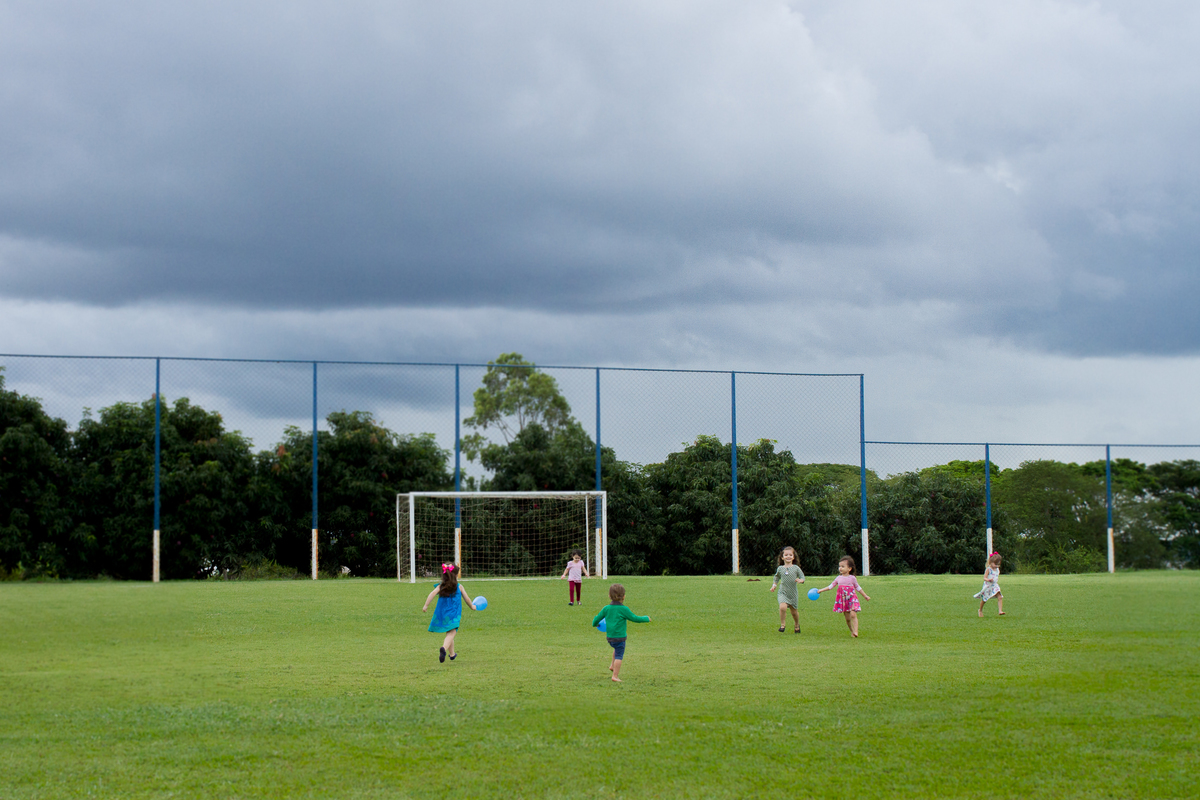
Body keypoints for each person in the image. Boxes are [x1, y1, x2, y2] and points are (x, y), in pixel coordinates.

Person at [591, 583, 651, 682]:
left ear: (609, 596)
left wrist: (595, 624)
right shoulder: (624, 609)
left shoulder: (606, 608)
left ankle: (611, 665)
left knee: (616, 648)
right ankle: (615, 676)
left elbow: (596, 619)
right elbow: (635, 618)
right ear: (624, 596)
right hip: (620, 638)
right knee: (619, 655)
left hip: (610, 638)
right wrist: (646, 618)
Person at [422, 563, 477, 663]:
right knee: (452, 633)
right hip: (454, 614)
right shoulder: (459, 587)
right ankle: (443, 648)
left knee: (449, 632)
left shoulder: (441, 586)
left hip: (442, 613)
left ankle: (452, 654)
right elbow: (467, 599)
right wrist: (472, 606)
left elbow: (432, 593)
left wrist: (426, 605)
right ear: (455, 575)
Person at [817, 555, 871, 637]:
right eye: (839, 566)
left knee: (853, 614)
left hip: (852, 598)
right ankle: (852, 631)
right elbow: (830, 586)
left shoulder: (852, 578)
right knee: (847, 618)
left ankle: (856, 631)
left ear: (849, 568)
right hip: (843, 600)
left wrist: (865, 596)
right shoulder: (838, 578)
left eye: (843, 566)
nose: (840, 568)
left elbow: (858, 587)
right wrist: (821, 590)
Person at [769, 545, 806, 633]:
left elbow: (802, 577)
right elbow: (776, 578)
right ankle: (782, 625)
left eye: (790, 555)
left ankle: (797, 624)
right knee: (782, 607)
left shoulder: (796, 568)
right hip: (783, 592)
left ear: (793, 557)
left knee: (794, 612)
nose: (788, 556)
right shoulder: (780, 568)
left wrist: (800, 580)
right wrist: (774, 585)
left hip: (792, 593)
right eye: (786, 555)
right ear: (782, 557)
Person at [974, 552, 1005, 617]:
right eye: (995, 564)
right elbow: (984, 578)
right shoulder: (988, 569)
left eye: (998, 564)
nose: (996, 566)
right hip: (988, 586)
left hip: (994, 585)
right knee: (984, 599)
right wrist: (988, 580)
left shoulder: (997, 569)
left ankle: (1000, 611)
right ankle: (980, 610)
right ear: (991, 562)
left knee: (1000, 596)